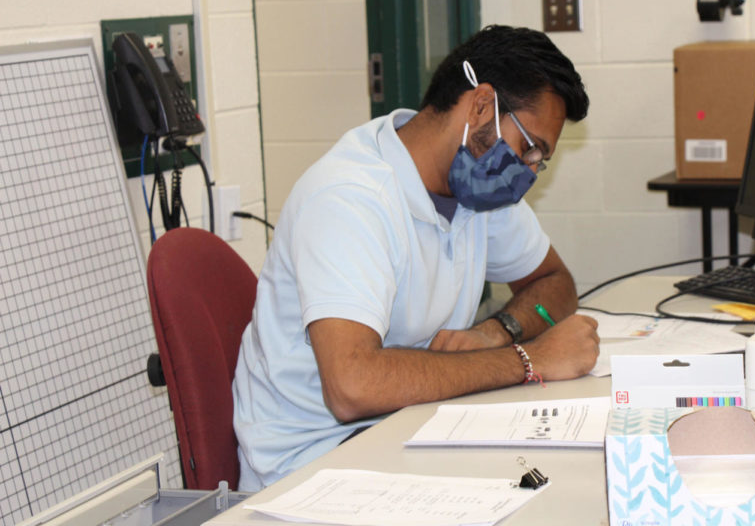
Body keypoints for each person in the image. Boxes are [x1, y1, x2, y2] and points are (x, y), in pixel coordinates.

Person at [232, 25, 600, 491]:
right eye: (529, 148)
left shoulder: (478, 189)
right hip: (313, 466)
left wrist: (496, 332)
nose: (527, 172)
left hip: (409, 429)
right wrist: (529, 360)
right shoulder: (351, 197)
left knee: (562, 483)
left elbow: (554, 283)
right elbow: (352, 386)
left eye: (538, 161)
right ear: (481, 105)